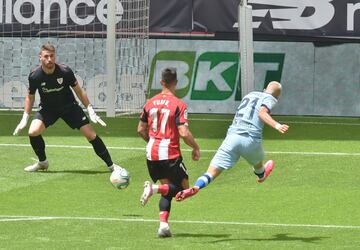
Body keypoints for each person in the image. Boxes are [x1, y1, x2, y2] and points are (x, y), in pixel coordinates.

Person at [13, 43, 122, 173]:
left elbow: (79, 91)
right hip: (48, 109)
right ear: (40, 57)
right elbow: (30, 97)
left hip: (69, 107)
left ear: (55, 57)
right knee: (33, 132)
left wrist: (90, 109)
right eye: (46, 56)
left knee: (91, 135)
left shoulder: (65, 71)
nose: (49, 59)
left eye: (52, 56)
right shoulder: (35, 76)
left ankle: (111, 166)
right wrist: (25, 117)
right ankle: (43, 162)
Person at [175, 81, 289, 202]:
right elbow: (261, 113)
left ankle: (196, 186)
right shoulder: (270, 98)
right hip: (250, 139)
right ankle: (261, 175)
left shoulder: (249, 95)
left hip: (232, 137)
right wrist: (277, 125)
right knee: (258, 161)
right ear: (277, 96)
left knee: (211, 172)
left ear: (264, 88)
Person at [137, 67, 200, 237]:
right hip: (170, 154)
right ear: (176, 83)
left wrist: (152, 142)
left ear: (161, 82)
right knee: (183, 189)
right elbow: (184, 133)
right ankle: (153, 189)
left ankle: (163, 226)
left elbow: (141, 129)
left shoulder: (149, 102)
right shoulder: (178, 104)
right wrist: (195, 147)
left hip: (151, 153)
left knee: (168, 189)